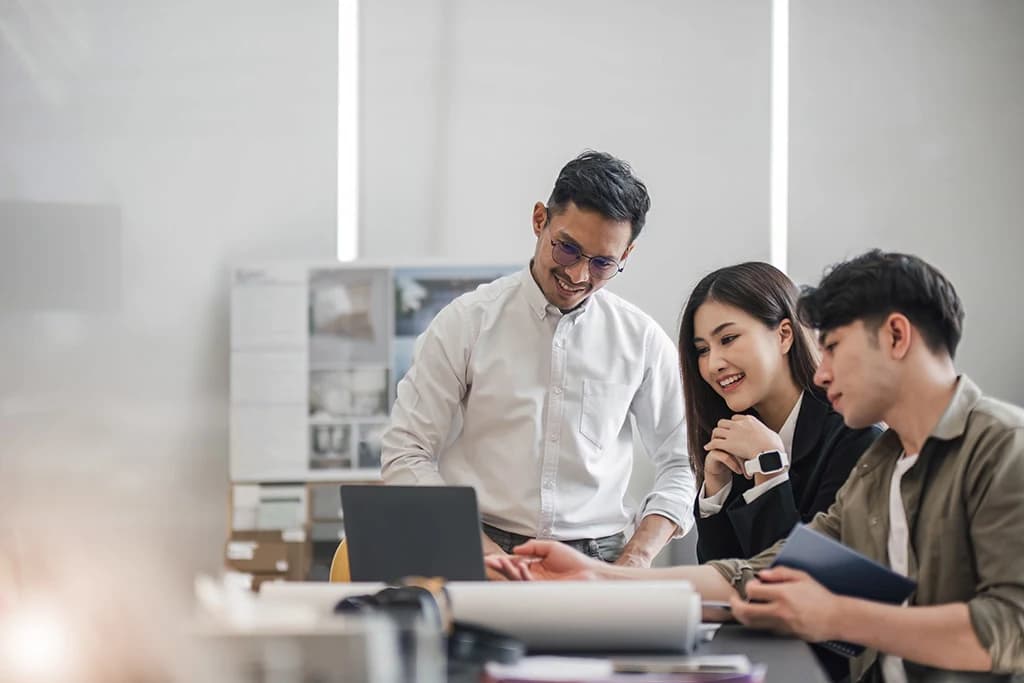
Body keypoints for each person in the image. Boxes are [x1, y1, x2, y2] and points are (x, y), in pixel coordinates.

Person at [488, 251, 1024, 682]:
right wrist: (599, 576)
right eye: (703, 348)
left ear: (897, 336)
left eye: (833, 347)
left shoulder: (1003, 448)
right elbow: (769, 569)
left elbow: (1011, 628)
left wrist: (836, 615)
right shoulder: (880, 470)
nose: (823, 371)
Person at [381, 151, 695, 568]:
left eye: (603, 263)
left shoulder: (641, 340)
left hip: (601, 556)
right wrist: (476, 547)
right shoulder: (466, 323)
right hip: (481, 543)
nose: (579, 275)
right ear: (538, 221)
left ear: (627, 256)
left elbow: (684, 461)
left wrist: (636, 558)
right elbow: (406, 453)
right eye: (567, 250)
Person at [680, 262, 880, 563]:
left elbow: (806, 577)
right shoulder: (733, 441)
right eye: (702, 350)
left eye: (728, 339)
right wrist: (715, 492)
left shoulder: (856, 439)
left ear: (784, 335)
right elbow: (722, 584)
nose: (713, 364)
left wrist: (769, 470)